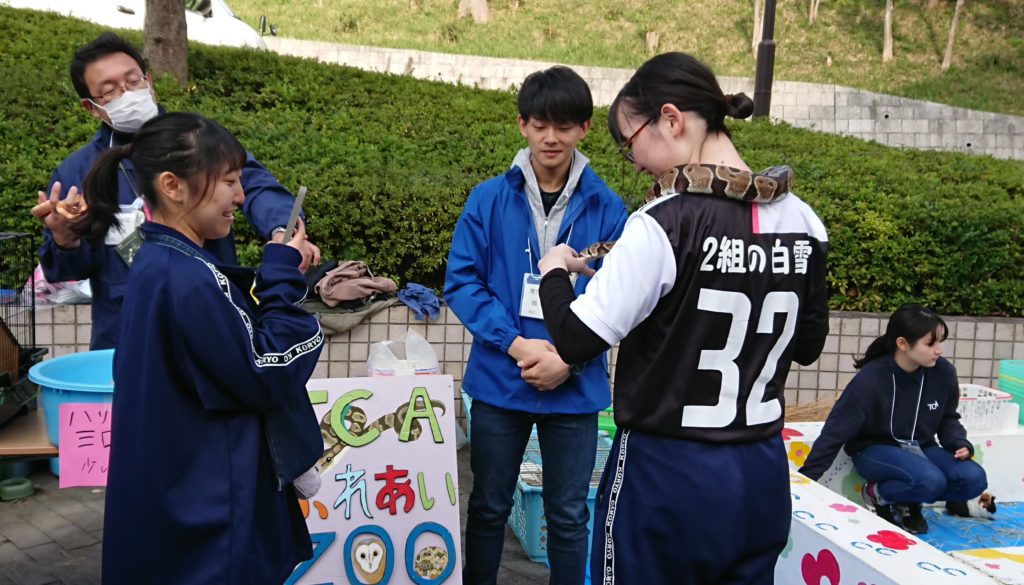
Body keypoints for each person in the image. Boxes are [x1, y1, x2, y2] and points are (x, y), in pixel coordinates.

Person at [536, 52, 830, 583]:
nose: (638, 163)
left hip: (667, 475)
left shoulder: (663, 222)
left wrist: (556, 270)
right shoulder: (806, 222)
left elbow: (576, 338)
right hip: (761, 471)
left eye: (632, 145)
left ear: (671, 119)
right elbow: (807, 346)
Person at [73, 112, 325, 585]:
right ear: (173, 186)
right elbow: (265, 370)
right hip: (210, 513)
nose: (239, 196)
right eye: (228, 180)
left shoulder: (156, 260)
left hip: (174, 496)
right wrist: (280, 285)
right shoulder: (189, 277)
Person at [444, 66, 627, 585]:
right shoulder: (487, 199)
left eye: (565, 126)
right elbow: (462, 282)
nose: (552, 137)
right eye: (541, 124)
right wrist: (517, 343)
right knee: (487, 508)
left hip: (574, 387)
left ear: (584, 129)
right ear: (521, 124)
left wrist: (568, 358)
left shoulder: (608, 206)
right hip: (503, 379)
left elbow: (616, 294)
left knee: (569, 517)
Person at [31, 32, 319, 350]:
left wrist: (281, 229)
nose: (127, 94)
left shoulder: (199, 140)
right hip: (126, 337)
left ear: (149, 82)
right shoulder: (79, 171)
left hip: (210, 322)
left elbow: (256, 187)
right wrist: (65, 240)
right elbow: (65, 271)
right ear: (91, 107)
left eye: (133, 81)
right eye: (110, 91)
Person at [799, 304, 987, 535]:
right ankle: (879, 494)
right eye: (930, 343)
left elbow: (948, 417)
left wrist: (959, 443)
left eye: (940, 342)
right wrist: (804, 481)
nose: (938, 350)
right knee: (930, 480)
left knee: (973, 478)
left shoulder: (943, 372)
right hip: (875, 449)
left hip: (921, 447)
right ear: (902, 344)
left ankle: (912, 497)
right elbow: (836, 431)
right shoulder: (871, 378)